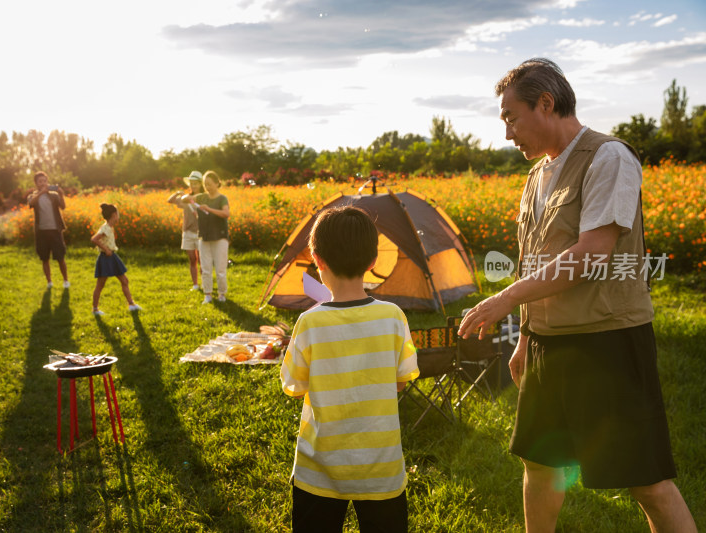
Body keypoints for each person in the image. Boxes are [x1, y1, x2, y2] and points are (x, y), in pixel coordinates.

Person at [458, 58, 696, 532]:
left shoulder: (608, 158)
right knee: (540, 464)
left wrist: (506, 299)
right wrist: (526, 335)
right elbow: (536, 262)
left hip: (607, 341)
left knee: (644, 480)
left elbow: (592, 253)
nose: (507, 133)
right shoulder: (536, 178)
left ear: (545, 104)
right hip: (548, 342)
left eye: (510, 117)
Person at [280, 206, 420, 533]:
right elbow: (402, 381)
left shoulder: (309, 322)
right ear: (373, 261)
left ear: (317, 259)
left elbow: (293, 386)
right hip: (381, 470)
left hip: (319, 471)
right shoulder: (394, 316)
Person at [90, 203, 141, 316]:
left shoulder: (109, 227)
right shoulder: (105, 228)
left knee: (124, 280)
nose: (119, 216)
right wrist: (106, 249)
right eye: (118, 213)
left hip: (113, 257)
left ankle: (131, 304)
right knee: (100, 284)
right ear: (114, 215)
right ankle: (95, 309)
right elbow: (94, 239)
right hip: (105, 258)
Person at [190, 170, 230, 304]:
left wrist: (209, 209)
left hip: (220, 237)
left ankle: (222, 294)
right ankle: (207, 294)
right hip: (204, 237)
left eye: (210, 184)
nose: (207, 187)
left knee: (220, 269)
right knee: (206, 268)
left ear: (217, 183)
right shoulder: (202, 197)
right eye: (205, 184)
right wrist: (188, 198)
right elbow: (186, 199)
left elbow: (226, 213)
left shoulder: (222, 198)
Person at [27, 171, 69, 289]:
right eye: (40, 181)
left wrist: (61, 194)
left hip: (55, 231)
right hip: (41, 232)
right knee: (44, 258)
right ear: (36, 183)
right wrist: (41, 193)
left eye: (45, 181)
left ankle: (65, 281)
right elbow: (31, 203)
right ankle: (49, 282)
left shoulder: (54, 195)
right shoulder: (32, 196)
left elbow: (63, 207)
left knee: (60, 257)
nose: (43, 183)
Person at [167, 170, 203, 291]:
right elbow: (170, 200)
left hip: (201, 233)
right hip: (187, 232)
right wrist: (178, 193)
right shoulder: (185, 199)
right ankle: (195, 285)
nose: (193, 185)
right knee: (192, 259)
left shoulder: (204, 198)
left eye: (196, 183)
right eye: (191, 183)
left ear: (200, 184)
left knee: (202, 260)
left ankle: (205, 284)